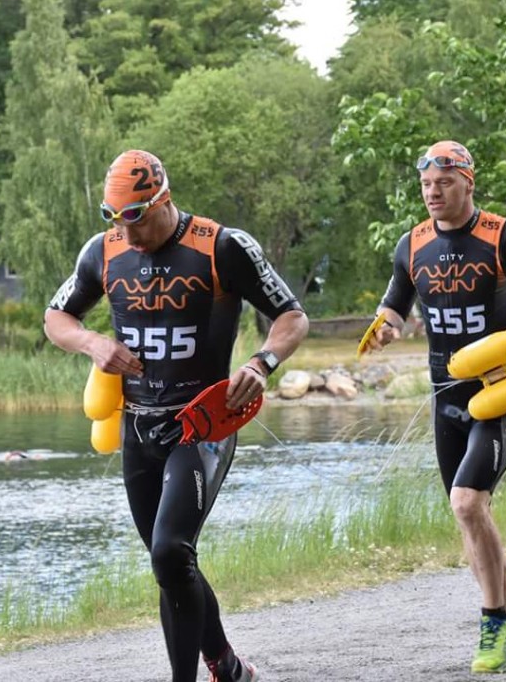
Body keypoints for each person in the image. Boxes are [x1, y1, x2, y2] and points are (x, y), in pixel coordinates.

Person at [45, 149, 308, 682]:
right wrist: (93, 343)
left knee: (169, 551)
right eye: (114, 216)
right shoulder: (103, 252)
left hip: (205, 423)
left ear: (162, 199)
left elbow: (292, 316)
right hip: (139, 426)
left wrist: (262, 362)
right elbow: (56, 317)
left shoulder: (222, 247)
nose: (126, 229)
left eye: (135, 216)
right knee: (170, 564)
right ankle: (227, 666)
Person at [363, 140, 506, 673]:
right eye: (426, 186)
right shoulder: (411, 245)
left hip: (501, 391)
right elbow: (396, 303)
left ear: (468, 183)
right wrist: (385, 327)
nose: (433, 193)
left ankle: (492, 623)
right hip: (445, 397)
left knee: (465, 503)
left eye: (444, 184)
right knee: (472, 513)